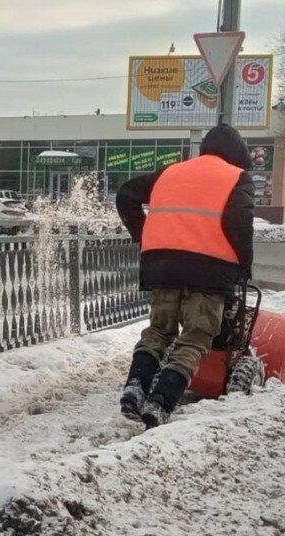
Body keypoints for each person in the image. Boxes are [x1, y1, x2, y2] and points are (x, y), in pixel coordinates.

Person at [115, 123, 254, 429]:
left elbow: (126, 194)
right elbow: (239, 225)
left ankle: (135, 388)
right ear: (235, 153)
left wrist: (146, 236)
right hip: (209, 272)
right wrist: (244, 266)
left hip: (162, 266)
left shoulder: (171, 172)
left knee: (159, 331)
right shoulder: (236, 177)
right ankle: (160, 402)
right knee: (194, 338)